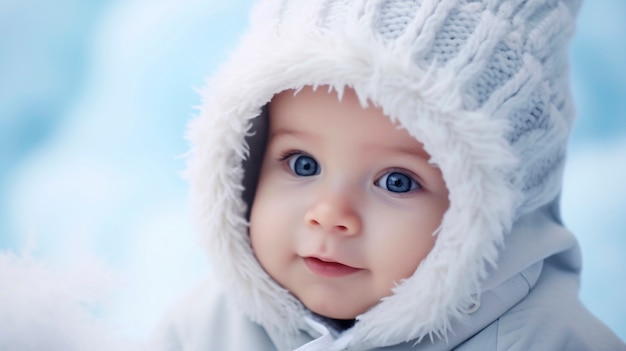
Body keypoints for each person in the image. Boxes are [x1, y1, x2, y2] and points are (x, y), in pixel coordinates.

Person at [151, 0, 626, 350]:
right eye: (302, 164)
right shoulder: (208, 324)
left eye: (397, 181)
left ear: (494, 213)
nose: (330, 216)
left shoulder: (544, 341)